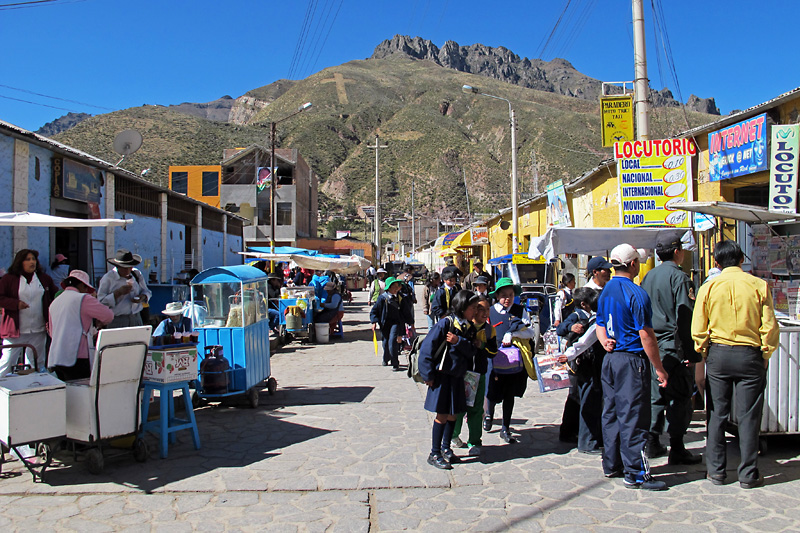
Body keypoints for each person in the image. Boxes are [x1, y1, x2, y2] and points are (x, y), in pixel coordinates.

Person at [692, 240, 779, 489]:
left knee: (717, 414)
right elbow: (770, 327)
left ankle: (716, 470)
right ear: (742, 260)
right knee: (749, 416)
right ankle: (748, 473)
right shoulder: (759, 285)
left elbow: (698, 327)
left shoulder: (708, 287)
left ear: (716, 263)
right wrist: (765, 354)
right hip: (750, 354)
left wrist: (705, 352)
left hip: (719, 354)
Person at [595, 244, 669, 491]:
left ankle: (612, 463)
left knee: (612, 412)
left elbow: (600, 324)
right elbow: (646, 334)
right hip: (631, 359)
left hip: (611, 359)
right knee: (634, 416)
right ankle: (636, 473)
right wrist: (658, 367)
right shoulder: (636, 293)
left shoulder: (606, 291)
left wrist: (605, 340)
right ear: (634, 264)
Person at [640, 234, 702, 465]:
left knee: (655, 396)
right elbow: (684, 318)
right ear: (677, 251)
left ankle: (652, 441)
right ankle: (677, 446)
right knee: (680, 397)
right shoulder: (680, 278)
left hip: (652, 345)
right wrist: (691, 353)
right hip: (673, 347)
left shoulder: (648, 277)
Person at [419, 290, 479, 469]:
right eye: (473, 308)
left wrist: (458, 342)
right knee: (442, 415)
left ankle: (446, 448)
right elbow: (426, 350)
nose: (475, 312)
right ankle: (434, 452)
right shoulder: (446, 324)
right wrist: (428, 375)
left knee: (454, 413)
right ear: (462, 307)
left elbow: (471, 351)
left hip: (457, 377)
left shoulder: (468, 327)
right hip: (442, 377)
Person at [484, 278, 536, 443]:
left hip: (514, 361)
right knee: (491, 390)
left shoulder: (520, 311)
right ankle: (488, 415)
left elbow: (530, 332)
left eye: (511, 295)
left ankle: (505, 428)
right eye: (504, 295)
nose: (507, 298)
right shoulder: (490, 311)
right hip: (493, 357)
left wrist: (513, 334)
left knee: (509, 395)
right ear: (497, 295)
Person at [556, 287, 604, 453]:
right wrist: (571, 330)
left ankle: (579, 435)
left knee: (581, 400)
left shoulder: (594, 317)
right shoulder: (580, 317)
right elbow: (583, 341)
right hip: (582, 364)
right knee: (583, 401)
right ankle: (586, 441)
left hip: (583, 363)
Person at [47, 270, 114, 381]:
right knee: (81, 394)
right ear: (82, 285)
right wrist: (97, 324)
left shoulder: (55, 302)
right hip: (77, 355)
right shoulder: (83, 299)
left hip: (56, 356)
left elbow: (51, 331)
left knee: (66, 394)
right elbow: (108, 315)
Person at [0, 249, 59, 375]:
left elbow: (55, 294)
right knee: (7, 362)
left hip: (38, 328)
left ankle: (36, 388)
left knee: (38, 363)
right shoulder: (8, 279)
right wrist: (16, 304)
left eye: (33, 259)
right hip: (15, 330)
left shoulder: (44, 278)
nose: (32, 262)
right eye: (28, 259)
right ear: (20, 262)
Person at [452, 295, 496, 457]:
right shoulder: (463, 326)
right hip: (460, 374)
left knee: (476, 410)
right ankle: (453, 435)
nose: (484, 313)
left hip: (479, 375)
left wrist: (482, 345)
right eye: (480, 309)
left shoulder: (490, 330)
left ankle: (475, 441)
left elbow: (493, 352)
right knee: (457, 408)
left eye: (487, 309)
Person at [96, 249, 151, 328]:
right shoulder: (108, 278)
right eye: (125, 268)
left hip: (136, 318)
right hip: (117, 320)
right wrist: (117, 293)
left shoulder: (136, 274)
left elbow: (147, 291)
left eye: (130, 267)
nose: (128, 270)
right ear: (118, 266)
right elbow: (100, 302)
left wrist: (142, 297)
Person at [370, 276, 413, 370]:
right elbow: (374, 311)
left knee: (392, 341)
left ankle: (395, 363)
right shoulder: (382, 298)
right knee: (385, 343)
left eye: (397, 286)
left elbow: (406, 312)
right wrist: (374, 322)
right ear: (389, 287)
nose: (396, 288)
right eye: (394, 286)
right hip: (385, 324)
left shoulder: (401, 298)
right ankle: (386, 358)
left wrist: (411, 323)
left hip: (397, 323)